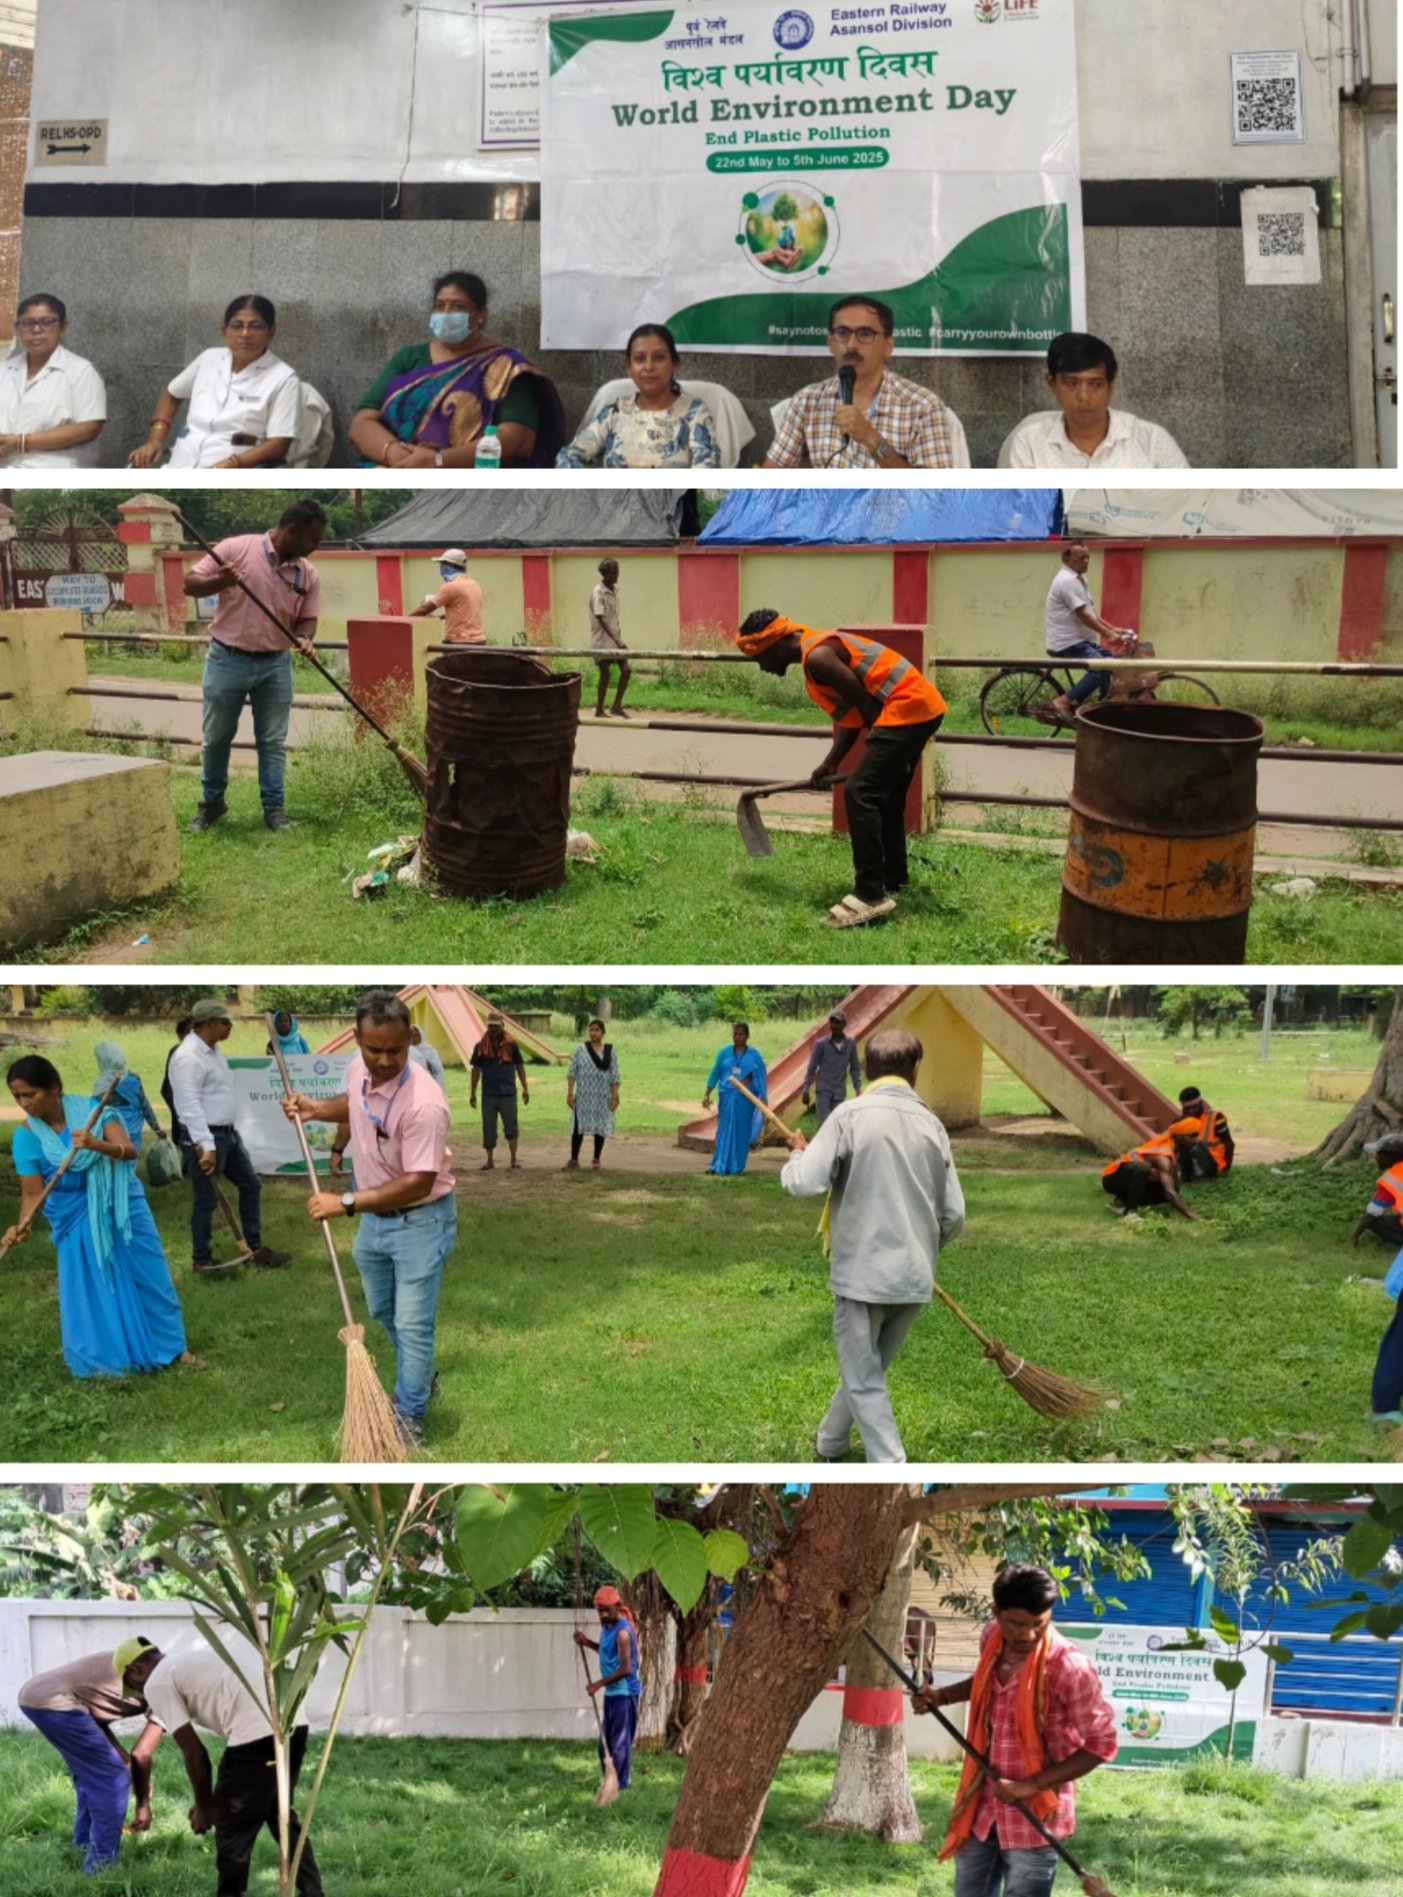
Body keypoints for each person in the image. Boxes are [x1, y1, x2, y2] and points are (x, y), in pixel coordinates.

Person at [779, 1027, 964, 1462]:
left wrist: (796, 1154)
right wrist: (925, 1246)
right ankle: (831, 1441)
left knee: (864, 1378)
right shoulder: (933, 1126)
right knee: (868, 1369)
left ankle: (890, 1464)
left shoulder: (849, 1116)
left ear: (867, 1068)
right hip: (915, 1277)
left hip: (863, 1275)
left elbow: (805, 1182)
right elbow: (954, 1215)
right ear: (915, 1071)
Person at [282, 989, 456, 1446]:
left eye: (395, 1051)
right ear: (357, 1039)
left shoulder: (424, 1103)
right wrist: (316, 1109)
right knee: (383, 1310)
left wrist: (345, 1203)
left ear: (411, 1040)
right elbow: (357, 1106)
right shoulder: (359, 1068)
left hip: (421, 1220)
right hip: (375, 1221)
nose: (382, 1060)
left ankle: (411, 1415)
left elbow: (420, 1181)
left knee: (414, 1322)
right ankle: (421, 1375)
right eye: (373, 1049)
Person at [911, 1562, 1117, 1896]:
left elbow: (1102, 1745)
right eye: (1017, 1624)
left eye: (1039, 1624)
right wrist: (942, 1697)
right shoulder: (992, 1637)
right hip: (981, 1808)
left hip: (1035, 1822)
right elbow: (986, 1682)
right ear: (996, 1613)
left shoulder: (1070, 1668)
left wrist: (1030, 1785)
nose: (1028, 1635)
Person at [737, 609, 948, 928]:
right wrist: (831, 762)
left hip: (905, 709)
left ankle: (869, 894)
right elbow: (853, 714)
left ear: (774, 645)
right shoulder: (815, 651)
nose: (761, 667)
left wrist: (882, 759)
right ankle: (894, 879)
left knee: (860, 792)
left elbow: (869, 709)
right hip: (919, 707)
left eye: (759, 659)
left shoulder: (818, 657)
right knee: (885, 796)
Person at [4, 1055, 196, 1378]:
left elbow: (129, 1151)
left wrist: (96, 1144)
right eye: (17, 1097)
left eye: (30, 1094)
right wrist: (22, 1226)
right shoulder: (26, 1137)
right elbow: (32, 1193)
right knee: (94, 1287)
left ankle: (175, 1349)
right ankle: (108, 1360)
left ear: (53, 1089)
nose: (24, 1103)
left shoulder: (96, 1112)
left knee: (149, 1275)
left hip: (120, 1204)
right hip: (73, 1216)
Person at [120, 1638, 325, 1897]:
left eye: (133, 1687)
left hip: (256, 1734)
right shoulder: (184, 1664)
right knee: (279, 1812)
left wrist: (205, 1807)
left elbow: (194, 1752)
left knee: (233, 1826)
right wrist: (206, 1800)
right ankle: (313, 1892)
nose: (140, 1694)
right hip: (294, 1724)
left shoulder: (157, 1682)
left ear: (135, 1670)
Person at [184, 497, 326, 833]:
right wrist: (221, 581)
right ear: (292, 530)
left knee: (272, 741)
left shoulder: (308, 573)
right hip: (227, 659)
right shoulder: (236, 549)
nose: (315, 548)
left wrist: (305, 638)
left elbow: (307, 619)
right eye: (312, 540)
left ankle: (274, 809)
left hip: (275, 665)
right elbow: (189, 584)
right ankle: (212, 804)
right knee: (217, 736)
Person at [348, 270, 567, 469]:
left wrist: (438, 461)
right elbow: (362, 422)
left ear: (481, 315)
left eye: (458, 306)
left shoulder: (507, 366)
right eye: (439, 305)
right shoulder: (409, 358)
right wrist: (394, 454)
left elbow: (517, 438)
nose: (446, 313)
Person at [764, 296, 969, 471]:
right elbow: (770, 477)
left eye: (865, 334)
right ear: (831, 342)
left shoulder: (923, 407)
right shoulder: (807, 401)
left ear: (888, 346)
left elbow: (933, 495)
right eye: (843, 333)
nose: (852, 344)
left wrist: (871, 439)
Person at [167, 998, 291, 1273]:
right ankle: (201, 1259)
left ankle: (255, 1248)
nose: (230, 1026)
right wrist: (204, 1145)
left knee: (251, 1185)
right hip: (205, 1138)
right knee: (206, 1200)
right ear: (209, 1024)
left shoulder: (213, 1051)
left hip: (228, 1135)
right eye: (225, 1022)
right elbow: (188, 1105)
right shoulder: (188, 1057)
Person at [18, 1640, 164, 1875]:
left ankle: (84, 1844)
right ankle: (101, 1868)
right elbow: (142, 1753)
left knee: (95, 1774)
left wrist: (124, 1760)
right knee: (111, 1779)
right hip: (54, 1703)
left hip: (43, 1697)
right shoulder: (166, 1682)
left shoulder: (146, 1663)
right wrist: (142, 1802)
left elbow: (93, 1715)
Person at [128, 295, 301, 471]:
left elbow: (279, 444)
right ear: (224, 331)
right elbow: (171, 394)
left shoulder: (284, 378)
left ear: (271, 332)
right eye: (237, 325)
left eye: (256, 326)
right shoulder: (209, 358)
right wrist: (156, 439)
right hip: (180, 463)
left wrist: (233, 463)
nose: (245, 334)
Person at [998, 332, 1190, 470]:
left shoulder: (1152, 441)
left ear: (1111, 387)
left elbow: (1189, 508)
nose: (1084, 396)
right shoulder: (1029, 443)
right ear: (1051, 383)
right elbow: (1015, 518)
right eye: (1072, 383)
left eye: (1096, 384)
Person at [557, 323, 721, 468]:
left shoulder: (695, 414)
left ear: (674, 364)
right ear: (629, 366)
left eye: (659, 358)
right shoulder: (615, 412)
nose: (648, 367)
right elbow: (568, 456)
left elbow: (706, 483)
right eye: (640, 359)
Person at [0, 293, 106, 468]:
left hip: (54, 467)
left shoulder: (81, 371)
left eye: (46, 322)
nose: (36, 330)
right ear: (17, 328)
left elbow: (89, 427)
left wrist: (21, 442)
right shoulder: (4, 370)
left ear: (63, 327)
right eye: (27, 323)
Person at [1043, 542, 1137, 724]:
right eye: (1081, 558)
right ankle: (1062, 702)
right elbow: (1083, 615)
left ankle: (1101, 706)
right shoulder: (1066, 581)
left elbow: (1090, 613)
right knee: (1100, 667)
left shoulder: (1079, 579)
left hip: (1080, 641)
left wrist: (1113, 629)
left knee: (1110, 662)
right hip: (1067, 643)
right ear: (1066, 559)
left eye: (1088, 558)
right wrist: (1108, 635)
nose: (1086, 562)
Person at [573, 1586, 642, 1793]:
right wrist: (586, 1643)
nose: (602, 1615)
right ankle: (610, 1782)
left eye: (606, 1610)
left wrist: (598, 1684)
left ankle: (620, 1787)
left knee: (619, 1743)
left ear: (618, 1607)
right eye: (599, 1610)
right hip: (613, 1694)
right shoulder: (607, 1628)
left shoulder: (622, 1633)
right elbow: (605, 1651)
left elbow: (626, 1669)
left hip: (625, 1694)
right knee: (604, 1745)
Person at [1357, 1136, 1403, 1426]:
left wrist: (1357, 1233)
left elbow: (1373, 1213)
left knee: (1399, 1340)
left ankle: (1384, 1407)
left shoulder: (1393, 1177)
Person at [702, 1023, 768, 1177]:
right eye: (735, 1034)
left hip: (744, 1099)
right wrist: (707, 1093)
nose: (737, 1037)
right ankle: (719, 1164)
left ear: (747, 1036)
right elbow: (716, 1072)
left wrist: (742, 1085)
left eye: (741, 1035)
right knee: (724, 1130)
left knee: (740, 1131)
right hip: (726, 1096)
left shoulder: (753, 1055)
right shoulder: (724, 1053)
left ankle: (736, 1166)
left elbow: (757, 1074)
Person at [470, 1011, 530, 1170]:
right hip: (488, 1094)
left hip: (508, 1093)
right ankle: (489, 1161)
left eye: (496, 1026)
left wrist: (525, 1087)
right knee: (488, 1127)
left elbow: (520, 1066)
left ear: (503, 1026)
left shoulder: (512, 1045)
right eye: (490, 1026)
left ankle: (513, 1160)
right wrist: (472, 1092)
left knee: (511, 1127)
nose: (493, 1029)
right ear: (487, 1026)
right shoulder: (480, 1046)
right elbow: (475, 1070)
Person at [1099, 1132, 1199, 1221]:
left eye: (1196, 1136)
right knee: (1143, 1167)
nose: (1196, 1140)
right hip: (1111, 1179)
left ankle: (1122, 1202)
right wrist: (1192, 1215)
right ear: (1179, 1136)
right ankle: (1130, 1212)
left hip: (1128, 1178)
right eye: (1192, 1136)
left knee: (1170, 1188)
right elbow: (1169, 1192)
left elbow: (1172, 1188)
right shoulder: (1164, 1156)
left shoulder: (1174, 1148)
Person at [90, 1039, 163, 1155]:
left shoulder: (101, 1085)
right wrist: (157, 1128)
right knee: (130, 1162)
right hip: (134, 1131)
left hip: (113, 1135)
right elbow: (145, 1105)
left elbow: (95, 1113)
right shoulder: (133, 1079)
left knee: (117, 1164)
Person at [566, 1018, 621, 1171]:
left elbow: (615, 1075)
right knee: (578, 1126)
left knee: (600, 1126)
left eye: (596, 1030)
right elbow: (572, 1073)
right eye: (591, 1030)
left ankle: (596, 1158)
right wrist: (570, 1093)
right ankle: (574, 1159)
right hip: (584, 1096)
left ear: (603, 1033)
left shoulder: (610, 1051)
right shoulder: (581, 1049)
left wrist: (615, 1095)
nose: (593, 1033)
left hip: (602, 1095)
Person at [406, 546, 485, 645]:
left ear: (450, 565)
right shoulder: (474, 585)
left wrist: (405, 620)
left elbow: (425, 609)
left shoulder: (450, 587)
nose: (441, 568)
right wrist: (439, 617)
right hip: (479, 641)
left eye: (442, 564)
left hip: (459, 641)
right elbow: (462, 611)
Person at [801, 1009, 863, 1126]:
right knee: (825, 1125)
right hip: (823, 1091)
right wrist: (805, 1088)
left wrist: (858, 1089)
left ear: (844, 1025)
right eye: (832, 1023)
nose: (835, 1026)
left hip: (839, 1093)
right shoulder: (821, 1044)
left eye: (838, 1023)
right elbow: (812, 1068)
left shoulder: (850, 1044)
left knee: (838, 1125)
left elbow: (855, 1068)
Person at [589, 558, 632, 719]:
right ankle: (599, 709)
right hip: (601, 640)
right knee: (605, 673)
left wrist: (619, 638)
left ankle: (616, 705)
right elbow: (601, 618)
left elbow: (614, 618)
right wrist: (617, 639)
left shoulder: (614, 591)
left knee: (626, 670)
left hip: (614, 640)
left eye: (617, 572)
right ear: (605, 574)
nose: (617, 576)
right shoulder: (598, 592)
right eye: (614, 573)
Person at [1166, 1086, 1234, 1182]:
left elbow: (1229, 1144)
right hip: (1190, 1166)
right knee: (1176, 1139)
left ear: (1201, 1103)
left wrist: (1226, 1170)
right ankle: (1185, 1178)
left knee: (1184, 1139)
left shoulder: (1216, 1117)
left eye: (1194, 1107)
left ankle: (1199, 1177)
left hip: (1214, 1165)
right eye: (1187, 1108)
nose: (1191, 1111)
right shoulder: (1179, 1123)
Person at [161, 1016, 193, 1149]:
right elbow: (167, 1087)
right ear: (181, 1035)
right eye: (190, 1033)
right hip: (184, 1114)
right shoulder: (177, 1052)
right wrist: (178, 1109)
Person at [408, 1024, 449, 1093]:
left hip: (431, 1081)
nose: (413, 1038)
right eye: (410, 1036)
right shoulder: (407, 1051)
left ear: (421, 1035)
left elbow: (438, 1069)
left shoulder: (429, 1050)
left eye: (415, 1035)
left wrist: (426, 1063)